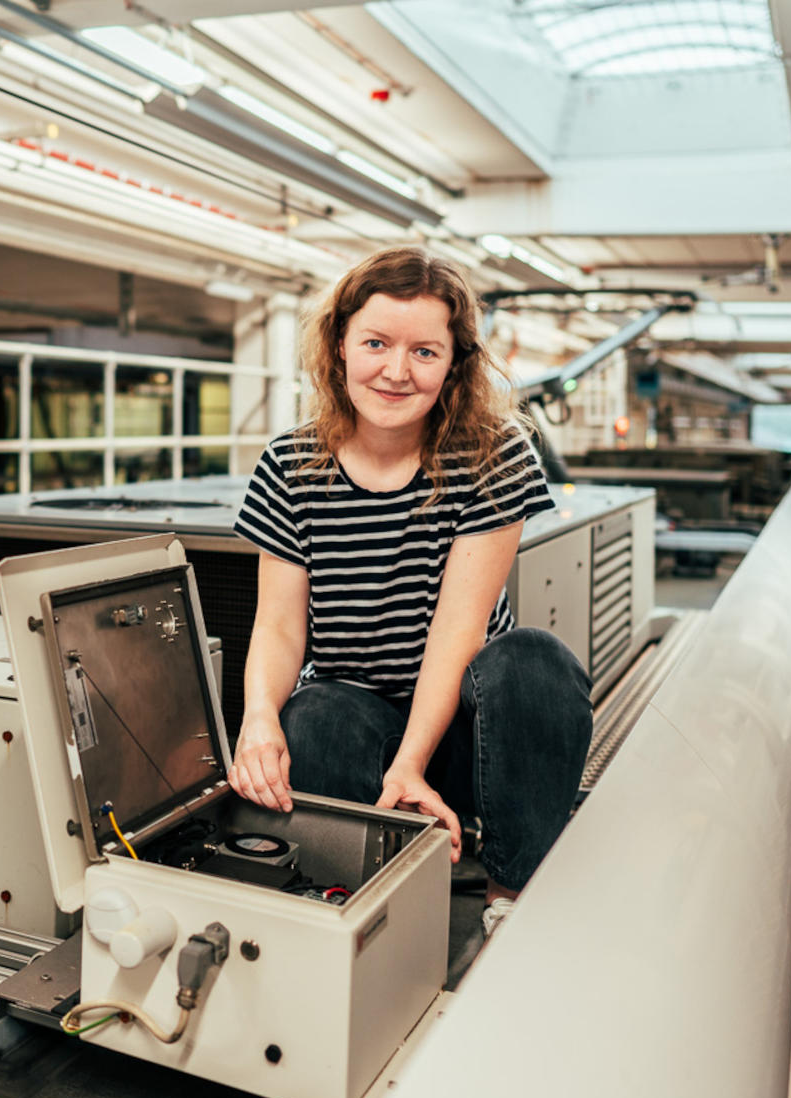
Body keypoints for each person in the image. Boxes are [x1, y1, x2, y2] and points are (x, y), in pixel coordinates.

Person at [229, 246, 592, 937]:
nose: (396, 371)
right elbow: (278, 627)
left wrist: (412, 764)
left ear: (454, 363)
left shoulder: (493, 455)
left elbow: (458, 630)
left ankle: (511, 891)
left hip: (462, 732)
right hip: (357, 729)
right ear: (340, 347)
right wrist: (257, 718)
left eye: (425, 351)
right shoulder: (290, 464)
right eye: (375, 343)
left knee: (534, 662)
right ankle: (370, 888)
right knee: (310, 716)